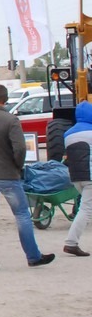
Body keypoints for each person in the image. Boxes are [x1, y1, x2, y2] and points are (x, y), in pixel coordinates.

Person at [0, 83, 54, 270]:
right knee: (22, 214)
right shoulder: (10, 120)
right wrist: (17, 165)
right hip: (7, 173)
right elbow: (20, 148)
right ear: (6, 99)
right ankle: (33, 256)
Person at [62, 100, 92, 257]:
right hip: (90, 176)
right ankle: (71, 243)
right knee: (86, 210)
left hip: (76, 178)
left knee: (86, 208)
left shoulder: (68, 134)